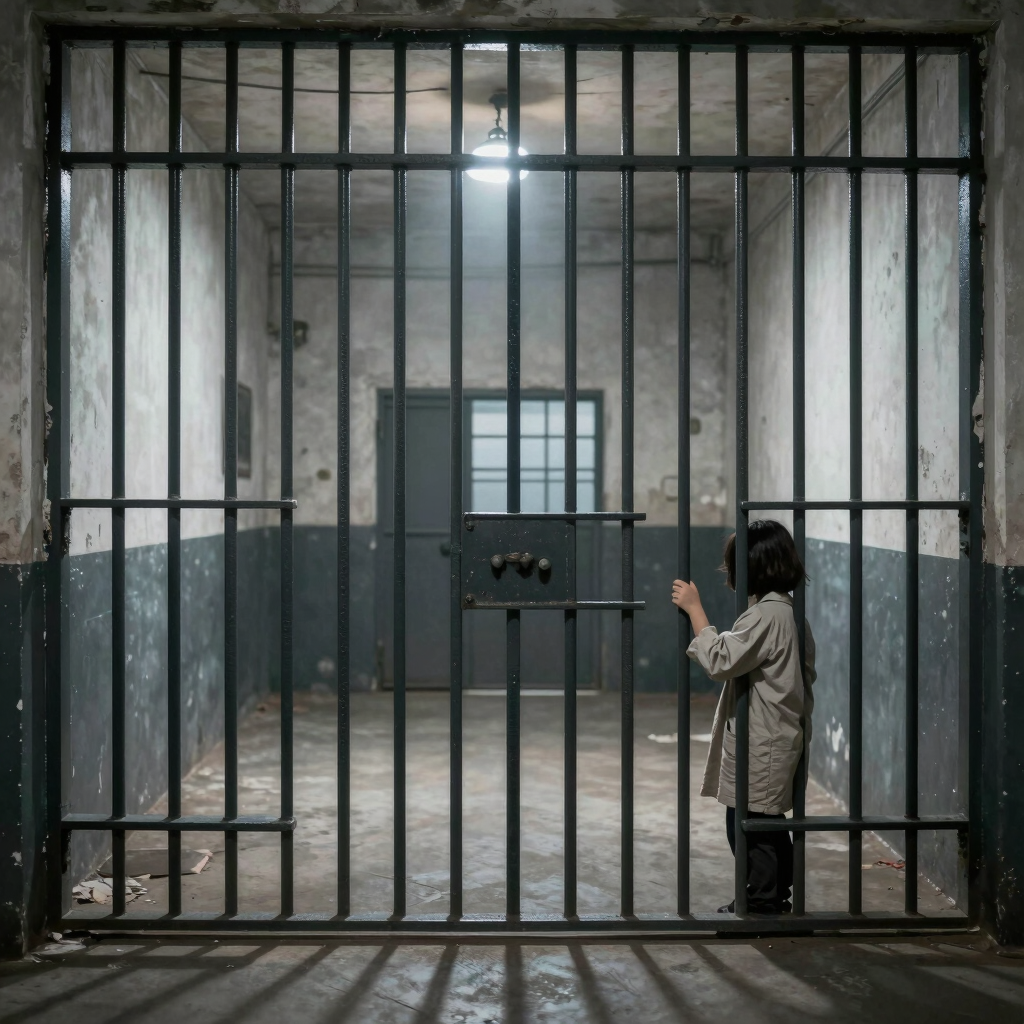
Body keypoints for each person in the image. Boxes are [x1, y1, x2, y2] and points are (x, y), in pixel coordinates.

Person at [671, 519, 816, 914]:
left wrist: (695, 609)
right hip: (777, 734)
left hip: (763, 739)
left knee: (749, 824)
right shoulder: (789, 612)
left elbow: (720, 660)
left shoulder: (766, 615)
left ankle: (762, 902)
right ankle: (771, 894)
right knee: (764, 818)